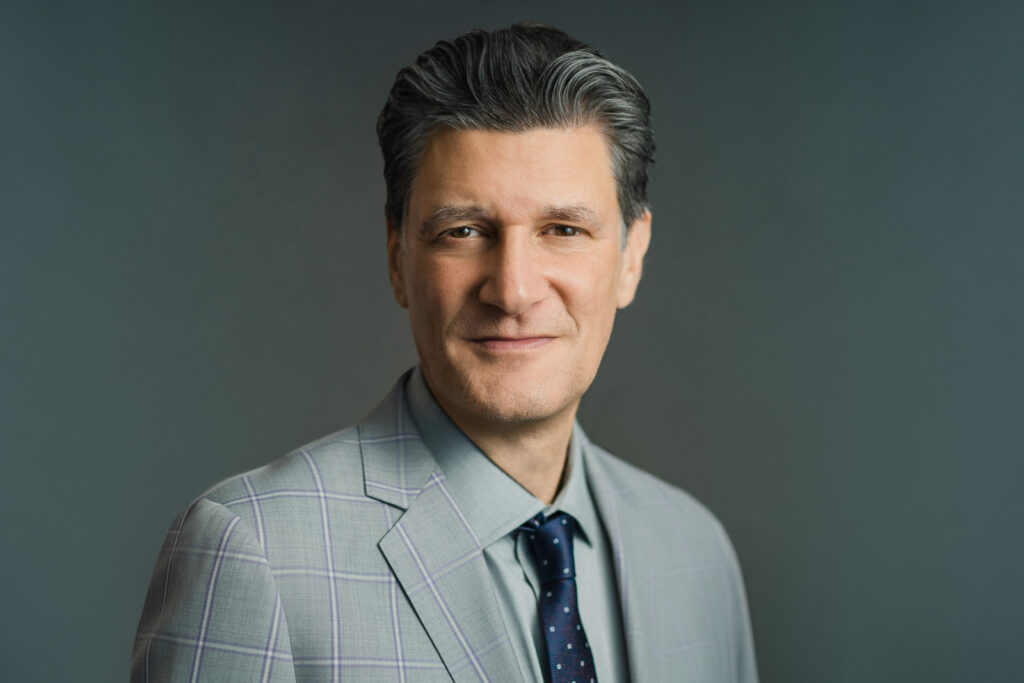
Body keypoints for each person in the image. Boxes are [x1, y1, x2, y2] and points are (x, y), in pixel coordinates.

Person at [132, 22, 758, 683]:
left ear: (632, 255)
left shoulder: (697, 552)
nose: (512, 290)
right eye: (464, 231)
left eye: (564, 229)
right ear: (398, 256)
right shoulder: (253, 551)